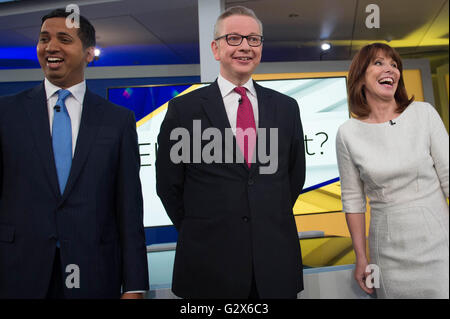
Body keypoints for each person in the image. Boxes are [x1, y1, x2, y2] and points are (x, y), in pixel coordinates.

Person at [156, 6, 305, 299]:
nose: (245, 47)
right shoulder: (184, 111)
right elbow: (169, 186)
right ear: (216, 48)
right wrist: (204, 228)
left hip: (274, 265)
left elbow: (293, 177)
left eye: (254, 39)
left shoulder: (286, 108)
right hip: (208, 266)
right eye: (234, 38)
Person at [0, 9, 149, 298]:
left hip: (93, 272)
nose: (51, 47)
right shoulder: (6, 113)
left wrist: (134, 286)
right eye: (44, 39)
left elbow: (129, 209)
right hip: (18, 273)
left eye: (63, 39)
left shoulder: (117, 121)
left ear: (89, 53)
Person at [336, 43, 449, 299]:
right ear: (360, 76)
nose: (390, 69)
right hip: (386, 250)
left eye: (394, 64)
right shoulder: (347, 133)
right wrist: (361, 257)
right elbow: (352, 200)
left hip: (440, 243)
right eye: (379, 63)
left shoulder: (423, 114)